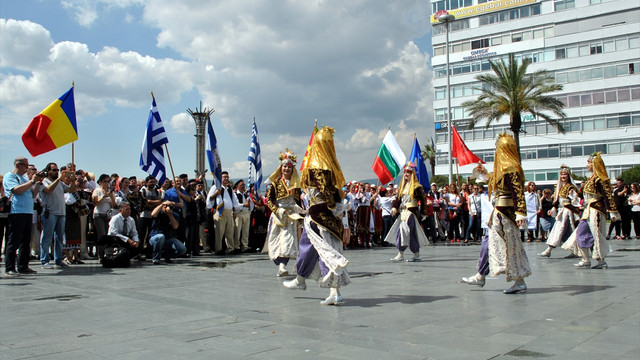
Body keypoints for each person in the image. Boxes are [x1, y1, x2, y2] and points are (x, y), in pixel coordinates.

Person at [283, 126, 350, 305]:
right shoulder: (331, 166)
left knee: (327, 253)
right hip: (318, 217)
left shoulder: (317, 167)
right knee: (309, 247)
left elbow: (326, 191)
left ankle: (334, 292)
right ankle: (301, 279)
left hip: (319, 218)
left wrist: (334, 209)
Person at [471, 134, 531, 294]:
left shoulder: (512, 169)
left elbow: (518, 192)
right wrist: (484, 174)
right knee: (490, 242)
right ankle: (481, 274)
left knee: (512, 245)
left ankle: (519, 280)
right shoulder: (503, 170)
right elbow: (495, 183)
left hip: (507, 213)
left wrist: (520, 213)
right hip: (499, 213)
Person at [562, 153, 619, 269]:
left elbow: (607, 195)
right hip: (588, 210)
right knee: (580, 233)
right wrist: (575, 196)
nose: (587, 165)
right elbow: (584, 195)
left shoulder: (600, 179)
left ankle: (601, 261)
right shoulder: (590, 179)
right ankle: (586, 259)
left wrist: (612, 211)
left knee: (597, 235)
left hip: (596, 210)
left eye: (589, 162)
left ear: (595, 164)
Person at [264, 150, 303, 277]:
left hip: (291, 216)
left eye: (289, 167)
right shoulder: (275, 183)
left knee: (288, 241)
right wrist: (277, 210)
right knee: (275, 241)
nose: (286, 168)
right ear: (281, 168)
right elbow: (269, 200)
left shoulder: (296, 185)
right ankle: (280, 264)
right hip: (279, 216)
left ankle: (282, 267)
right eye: (284, 166)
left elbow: (297, 201)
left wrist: (300, 213)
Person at [3, 157, 44, 276]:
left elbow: (34, 194)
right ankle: (10, 267)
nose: (27, 168)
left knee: (26, 241)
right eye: (25, 165)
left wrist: (37, 183)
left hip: (28, 212)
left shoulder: (25, 178)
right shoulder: (10, 176)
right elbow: (16, 190)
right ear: (17, 165)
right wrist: (31, 182)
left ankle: (23, 266)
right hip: (16, 211)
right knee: (14, 240)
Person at [384, 162, 429, 262]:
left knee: (407, 231)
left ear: (412, 174)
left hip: (411, 212)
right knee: (405, 232)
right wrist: (394, 208)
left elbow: (423, 200)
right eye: (405, 172)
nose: (406, 174)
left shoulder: (417, 186)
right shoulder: (403, 187)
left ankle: (410, 254)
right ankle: (406, 254)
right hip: (403, 212)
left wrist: (424, 213)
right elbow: (399, 199)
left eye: (408, 172)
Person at [538, 166, 581, 258]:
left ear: (568, 175)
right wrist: (554, 208)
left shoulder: (570, 187)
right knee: (566, 231)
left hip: (567, 211)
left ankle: (549, 249)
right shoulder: (561, 187)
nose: (563, 176)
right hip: (562, 211)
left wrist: (573, 208)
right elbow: (557, 200)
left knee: (559, 230)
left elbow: (575, 200)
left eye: (565, 174)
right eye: (561, 174)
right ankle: (575, 250)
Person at [40, 162, 76, 269]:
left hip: (61, 213)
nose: (56, 172)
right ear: (48, 171)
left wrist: (73, 181)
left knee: (59, 238)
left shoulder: (60, 183)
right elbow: (49, 189)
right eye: (54, 170)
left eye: (57, 170)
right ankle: (44, 260)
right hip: (50, 212)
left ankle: (58, 259)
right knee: (47, 237)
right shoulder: (44, 181)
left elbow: (71, 189)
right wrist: (59, 178)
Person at [207, 171, 242, 254]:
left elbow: (234, 200)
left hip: (229, 212)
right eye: (224, 177)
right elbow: (209, 199)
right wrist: (216, 194)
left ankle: (230, 248)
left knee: (230, 231)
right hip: (220, 212)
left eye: (227, 177)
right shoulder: (215, 187)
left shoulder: (229, 188)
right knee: (219, 232)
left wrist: (235, 211)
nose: (226, 178)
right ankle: (218, 249)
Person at [92, 174, 117, 243]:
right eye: (105, 181)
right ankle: (100, 253)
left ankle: (107, 252)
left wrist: (111, 197)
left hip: (108, 215)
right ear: (100, 182)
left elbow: (114, 205)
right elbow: (95, 203)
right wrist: (103, 197)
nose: (106, 183)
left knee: (108, 234)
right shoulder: (97, 191)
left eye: (108, 182)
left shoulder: (110, 192)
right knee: (102, 235)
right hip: (99, 215)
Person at [233, 179, 253, 253]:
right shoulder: (235, 194)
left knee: (245, 231)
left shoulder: (246, 194)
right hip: (239, 213)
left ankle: (245, 246)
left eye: (244, 185)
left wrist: (249, 209)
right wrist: (244, 205)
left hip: (246, 213)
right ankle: (236, 246)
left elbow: (251, 204)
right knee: (237, 230)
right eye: (241, 185)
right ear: (237, 186)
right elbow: (236, 205)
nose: (243, 186)